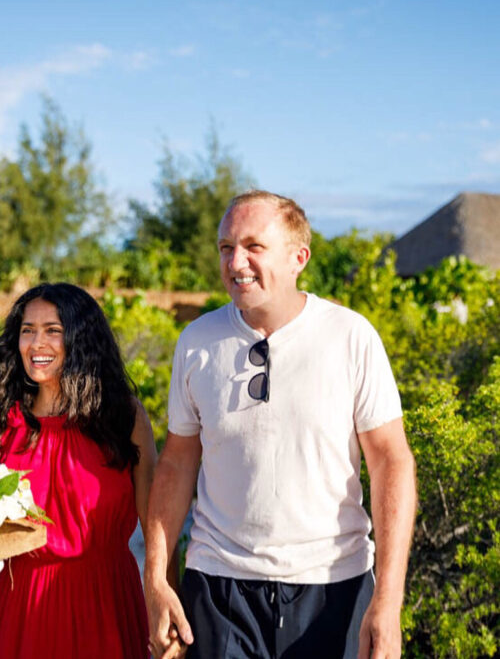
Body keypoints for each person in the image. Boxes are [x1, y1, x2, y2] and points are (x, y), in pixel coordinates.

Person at [144, 190, 417, 659]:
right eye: (226, 247)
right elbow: (175, 463)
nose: (236, 262)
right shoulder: (197, 341)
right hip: (218, 588)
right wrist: (155, 580)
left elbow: (392, 463)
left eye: (254, 246)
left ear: (298, 258)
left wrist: (388, 602)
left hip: (333, 585)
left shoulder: (350, 337)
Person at [0, 282, 157, 659]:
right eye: (28, 331)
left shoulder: (123, 416)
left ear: (80, 338)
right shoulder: (1, 423)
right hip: (22, 610)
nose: (37, 343)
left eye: (53, 330)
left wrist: (166, 596)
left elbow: (157, 526)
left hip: (105, 603)